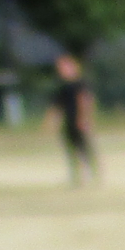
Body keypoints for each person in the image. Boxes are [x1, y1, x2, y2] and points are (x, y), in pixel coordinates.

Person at [50, 55, 100, 184]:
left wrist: (84, 118)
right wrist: (53, 121)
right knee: (71, 150)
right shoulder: (63, 87)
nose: (62, 70)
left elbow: (86, 101)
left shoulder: (80, 84)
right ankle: (76, 177)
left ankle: (94, 175)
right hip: (68, 122)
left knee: (84, 148)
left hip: (79, 121)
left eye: (65, 67)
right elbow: (58, 106)